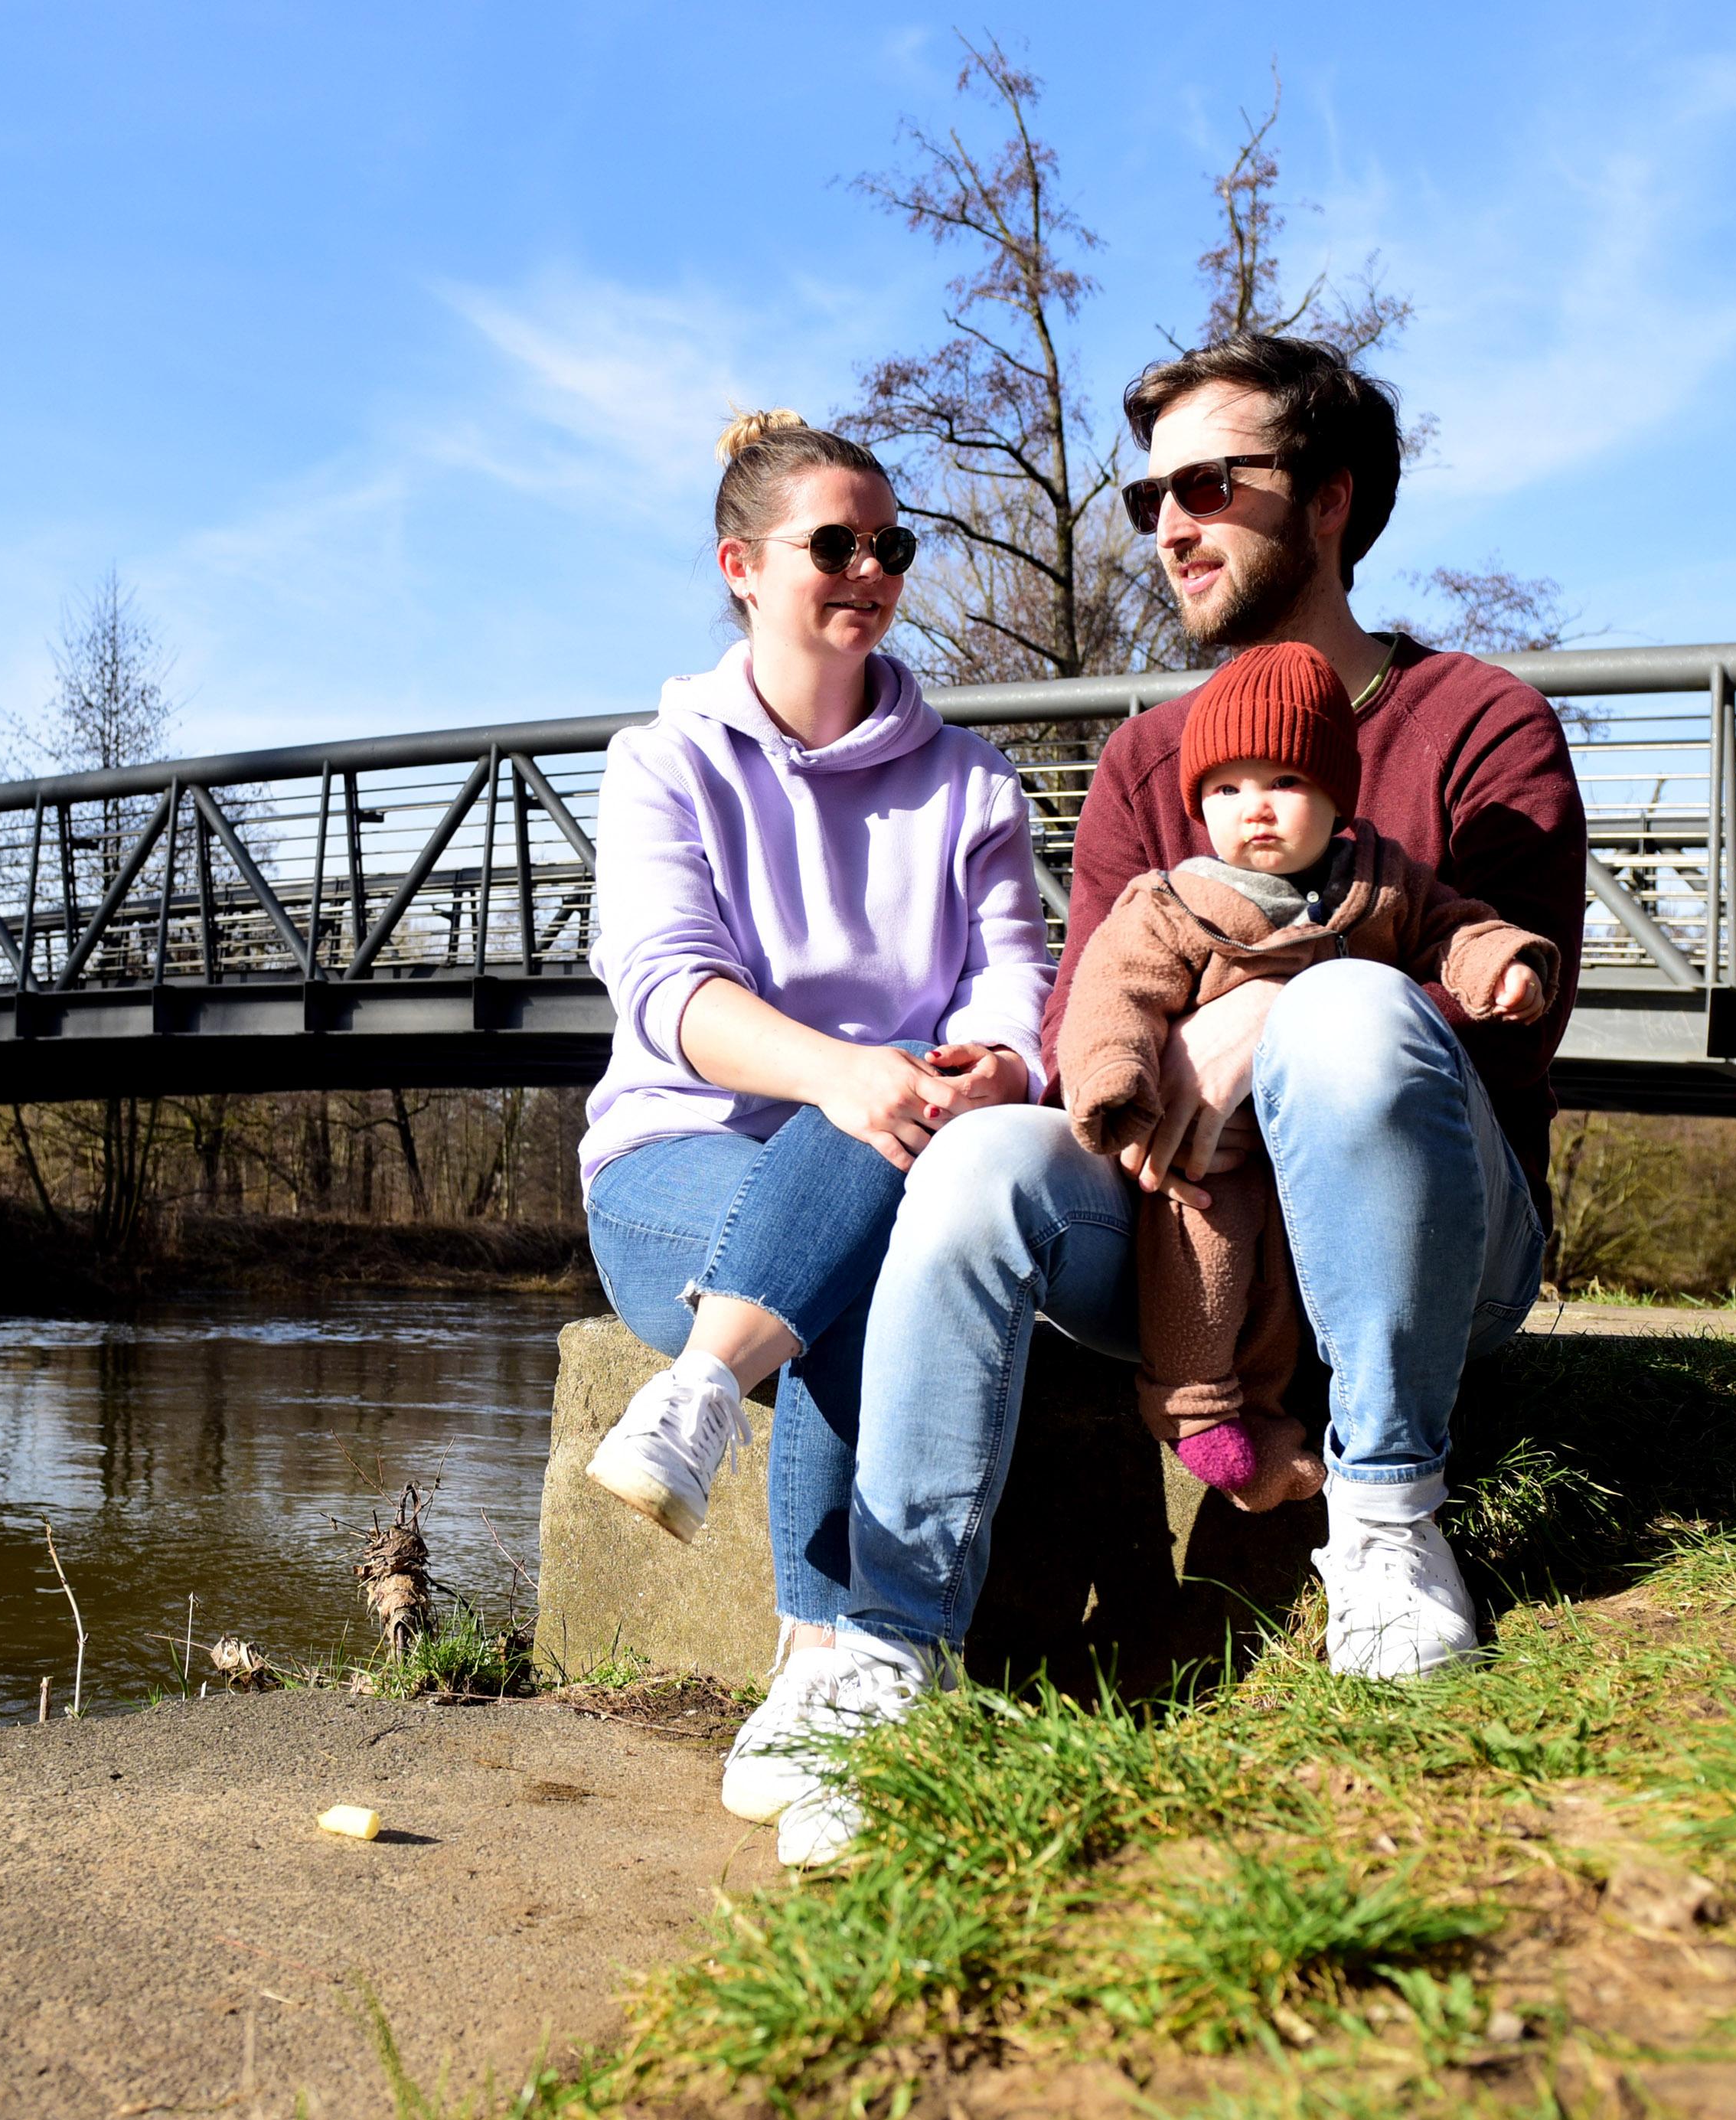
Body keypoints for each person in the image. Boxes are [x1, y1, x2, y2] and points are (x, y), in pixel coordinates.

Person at [830, 330, 1584, 1709]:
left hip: (1441, 1245)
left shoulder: (1483, 721)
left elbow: (1507, 1025)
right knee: (978, 1164)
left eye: (1206, 486)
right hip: (1184, 1235)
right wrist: (1140, 1057)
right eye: (1146, 500)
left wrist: (1276, 1011)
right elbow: (1091, 1029)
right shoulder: (1143, 757)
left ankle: (1384, 1521)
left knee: (1346, 1010)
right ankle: (881, 1640)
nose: (1167, 526)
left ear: (1331, 496)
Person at [576, 408, 1048, 1866]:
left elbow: (1021, 984)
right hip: (677, 1160)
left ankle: (703, 1399)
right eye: (833, 543)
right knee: (865, 1184)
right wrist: (847, 1072)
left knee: (885, 1204)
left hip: (902, 1142)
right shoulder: (661, 763)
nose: (869, 569)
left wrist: (996, 1067)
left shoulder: (969, 783)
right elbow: (669, 991)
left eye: (890, 546)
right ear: (741, 564)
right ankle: (829, 1655)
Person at [1057, 639, 1555, 1514]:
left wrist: (1499, 965)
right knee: (1203, 1260)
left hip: (1339, 1164)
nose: (1254, 809)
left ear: (1335, 794)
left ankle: (1320, 1441)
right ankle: (1199, 1409)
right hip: (1219, 1157)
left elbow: (1455, 930)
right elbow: (1110, 993)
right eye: (1225, 788)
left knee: (1294, 1289)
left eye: (1283, 783)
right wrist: (1114, 1084)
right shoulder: (1173, 902)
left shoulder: (1383, 886)